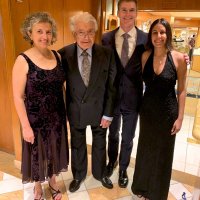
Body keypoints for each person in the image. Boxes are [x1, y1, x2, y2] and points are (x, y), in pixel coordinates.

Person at [12, 12, 69, 200]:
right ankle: (37, 186)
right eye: (39, 31)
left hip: (57, 116)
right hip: (34, 119)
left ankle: (52, 182)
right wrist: (25, 126)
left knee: (54, 150)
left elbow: (62, 89)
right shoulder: (23, 60)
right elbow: (18, 97)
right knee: (37, 154)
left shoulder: (57, 56)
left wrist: (66, 117)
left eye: (48, 32)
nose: (44, 36)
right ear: (30, 33)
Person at [58, 12, 116, 192]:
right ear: (74, 34)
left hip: (100, 109)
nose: (86, 37)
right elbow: (56, 85)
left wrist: (108, 113)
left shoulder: (106, 53)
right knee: (77, 144)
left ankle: (100, 174)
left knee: (100, 143)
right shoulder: (63, 54)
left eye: (90, 32)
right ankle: (78, 175)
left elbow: (112, 86)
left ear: (95, 33)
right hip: (76, 108)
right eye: (81, 32)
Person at [131, 18, 187, 200]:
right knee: (146, 149)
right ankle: (142, 188)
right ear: (150, 35)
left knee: (163, 153)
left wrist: (180, 118)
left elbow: (183, 90)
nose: (158, 36)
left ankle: (156, 193)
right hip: (147, 112)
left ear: (168, 34)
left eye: (162, 32)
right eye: (155, 32)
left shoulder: (178, 58)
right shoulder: (145, 55)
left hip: (168, 113)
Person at [102, 0, 147, 188]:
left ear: (136, 12)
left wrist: (181, 56)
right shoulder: (106, 38)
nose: (127, 14)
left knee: (128, 137)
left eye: (131, 10)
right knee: (112, 134)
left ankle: (123, 168)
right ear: (118, 13)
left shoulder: (145, 39)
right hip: (112, 98)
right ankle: (111, 162)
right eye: (124, 10)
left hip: (133, 98)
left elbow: (159, 56)